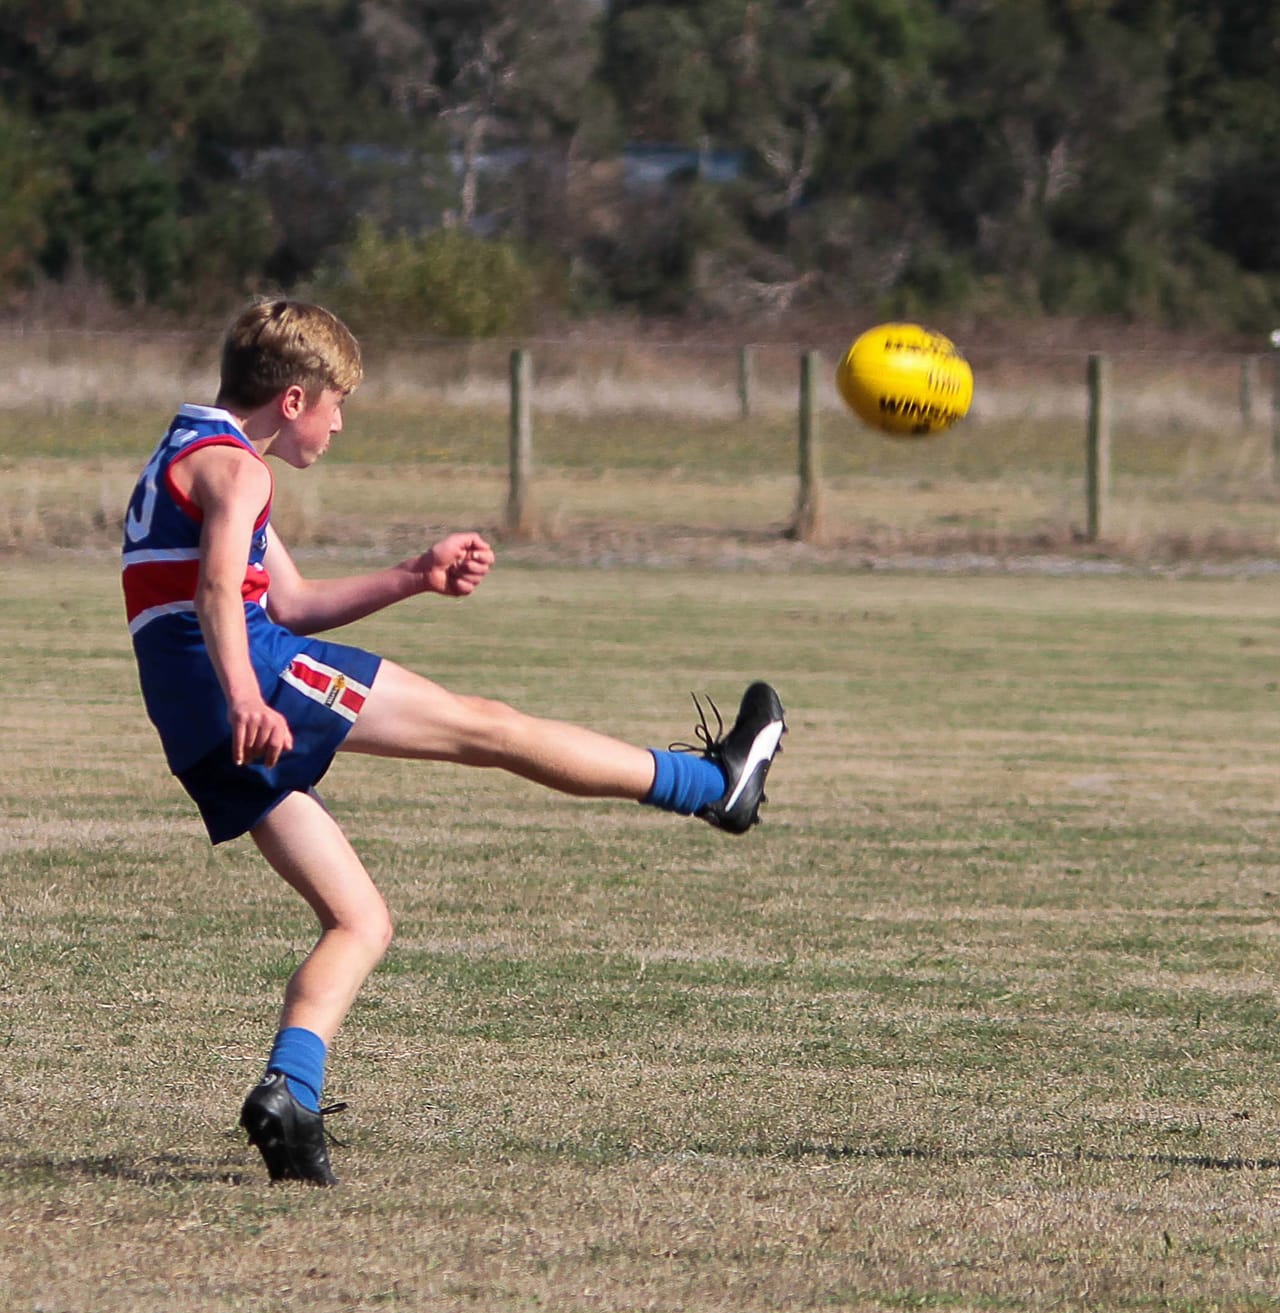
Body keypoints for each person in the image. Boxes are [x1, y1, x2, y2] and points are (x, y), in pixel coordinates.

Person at [121, 298, 787, 1187]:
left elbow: (288, 599)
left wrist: (414, 574)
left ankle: (291, 1094)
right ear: (294, 399)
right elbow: (217, 596)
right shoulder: (240, 472)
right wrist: (247, 694)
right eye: (336, 403)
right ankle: (711, 786)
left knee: (360, 920)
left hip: (192, 724)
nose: (339, 422)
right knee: (488, 727)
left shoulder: (186, 450)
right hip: (249, 684)